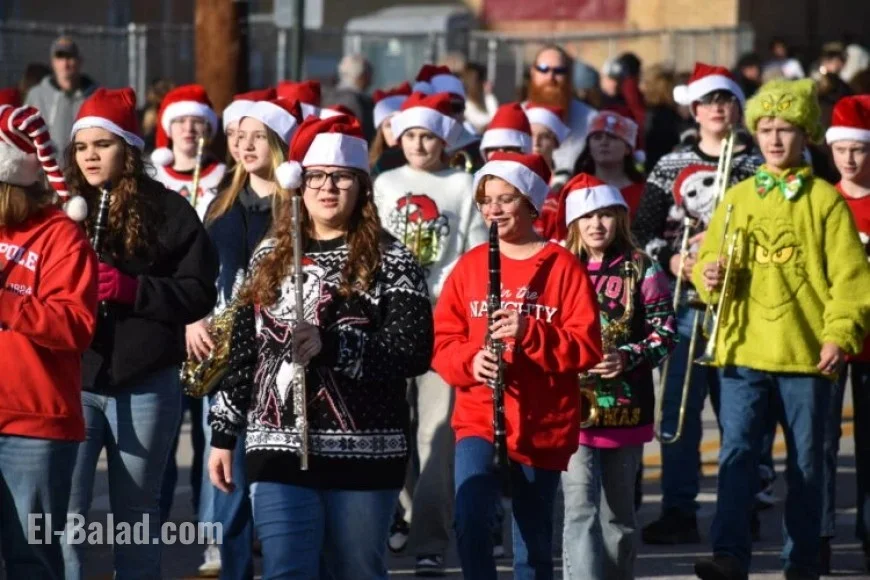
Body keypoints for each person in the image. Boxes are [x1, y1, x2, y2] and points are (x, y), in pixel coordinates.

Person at [208, 114, 434, 580]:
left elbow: (412, 350)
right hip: (277, 448)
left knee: (354, 571)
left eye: (341, 178)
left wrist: (334, 345)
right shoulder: (269, 255)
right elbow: (245, 350)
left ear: (361, 188)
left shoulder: (393, 260)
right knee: (286, 571)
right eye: (315, 177)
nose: (327, 188)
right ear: (298, 184)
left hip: (365, 452)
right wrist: (223, 434)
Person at [692, 78, 870, 580]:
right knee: (737, 457)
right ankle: (729, 555)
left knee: (808, 465)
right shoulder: (738, 197)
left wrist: (839, 334)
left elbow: (853, 281)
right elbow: (710, 260)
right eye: (766, 128)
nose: (774, 139)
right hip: (742, 353)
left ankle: (802, 561)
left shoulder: (824, 201)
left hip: (807, 356)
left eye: (786, 129)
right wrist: (708, 276)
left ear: (806, 133)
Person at [61, 87, 218, 579]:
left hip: (146, 382)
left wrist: (133, 290)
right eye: (82, 146)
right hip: (75, 380)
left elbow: (197, 292)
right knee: (66, 515)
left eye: (102, 145)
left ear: (127, 149)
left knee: (135, 514)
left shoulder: (168, 210)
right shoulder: (62, 209)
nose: (90, 156)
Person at [432, 151, 603, 580]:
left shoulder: (563, 266)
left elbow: (587, 348)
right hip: (479, 416)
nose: (494, 210)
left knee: (533, 541)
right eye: (486, 201)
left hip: (541, 420)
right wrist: (471, 362)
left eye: (505, 199)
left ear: (529, 202)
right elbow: (442, 343)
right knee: (470, 520)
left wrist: (530, 332)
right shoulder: (470, 266)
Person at [631, 63, 762, 547]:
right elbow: (641, 232)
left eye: (725, 100)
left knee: (740, 415)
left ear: (737, 106)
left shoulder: (758, 163)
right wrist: (675, 260)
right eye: (707, 102)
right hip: (684, 302)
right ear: (694, 109)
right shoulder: (670, 164)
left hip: (742, 305)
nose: (716, 109)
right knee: (678, 417)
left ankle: (738, 506)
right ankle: (679, 509)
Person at [373, 90, 488, 575]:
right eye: (412, 136)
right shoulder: (383, 182)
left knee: (437, 437)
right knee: (390, 428)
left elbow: (475, 249)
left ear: (445, 140)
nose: (419, 145)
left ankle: (430, 541)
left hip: (444, 317)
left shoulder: (463, 185)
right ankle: (400, 513)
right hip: (389, 317)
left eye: (429, 136)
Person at [560, 173, 677, 580]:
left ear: (621, 219)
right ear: (574, 222)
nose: (597, 224)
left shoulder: (642, 267)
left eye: (607, 215)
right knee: (578, 509)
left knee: (619, 516)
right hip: (571, 409)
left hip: (627, 406)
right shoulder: (559, 266)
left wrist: (627, 357)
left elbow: (665, 334)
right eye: (588, 216)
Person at [0, 103, 94, 579]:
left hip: (33, 425)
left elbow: (76, 326)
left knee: (30, 560)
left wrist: (7, 303)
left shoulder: (60, 235)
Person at [821, 94, 870, 574]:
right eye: (842, 150)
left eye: (859, 149)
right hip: (830, 343)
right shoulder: (824, 201)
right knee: (822, 442)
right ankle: (819, 534)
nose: (851, 159)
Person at [539, 109, 646, 242]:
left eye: (612, 137)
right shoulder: (573, 190)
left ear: (627, 148)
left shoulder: (644, 193)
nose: (604, 142)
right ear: (589, 145)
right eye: (597, 137)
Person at [150, 84, 227, 220]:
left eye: (197, 121)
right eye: (180, 121)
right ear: (169, 128)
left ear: (208, 128)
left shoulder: (223, 176)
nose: (189, 128)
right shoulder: (152, 175)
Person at [525, 45, 598, 174]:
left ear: (569, 74)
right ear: (532, 72)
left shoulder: (592, 120)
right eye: (543, 69)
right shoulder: (517, 116)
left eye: (559, 71)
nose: (551, 77)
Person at [25, 36, 98, 155]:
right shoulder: (36, 95)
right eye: (60, 57)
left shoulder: (95, 95)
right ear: (52, 62)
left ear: (80, 61)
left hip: (84, 168)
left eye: (70, 57)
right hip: (47, 169)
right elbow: (26, 136)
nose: (65, 63)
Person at [323, 54, 375, 141]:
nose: (371, 81)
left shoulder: (326, 98)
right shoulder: (362, 103)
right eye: (369, 75)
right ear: (361, 76)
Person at [369, 82, 411, 177]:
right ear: (381, 131)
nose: (394, 130)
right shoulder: (371, 167)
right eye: (388, 125)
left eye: (400, 123)